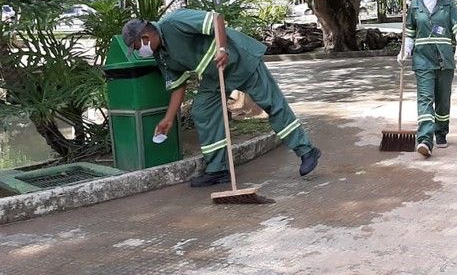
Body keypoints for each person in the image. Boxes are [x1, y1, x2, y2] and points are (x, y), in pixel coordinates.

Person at [121, 10, 321, 187]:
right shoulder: (161, 56)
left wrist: (222, 49)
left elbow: (216, 18)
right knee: (202, 111)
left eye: (137, 47)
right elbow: (177, 87)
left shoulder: (173, 22)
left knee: (272, 104)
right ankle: (218, 169)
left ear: (145, 37)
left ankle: (306, 151)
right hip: (214, 77)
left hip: (240, 61)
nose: (139, 51)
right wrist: (168, 119)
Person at [399, 0, 457, 157]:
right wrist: (405, 50)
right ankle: (425, 139)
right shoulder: (415, 5)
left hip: (444, 59)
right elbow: (410, 32)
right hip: (422, 60)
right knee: (426, 99)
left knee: (443, 99)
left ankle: (441, 131)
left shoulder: (448, 4)